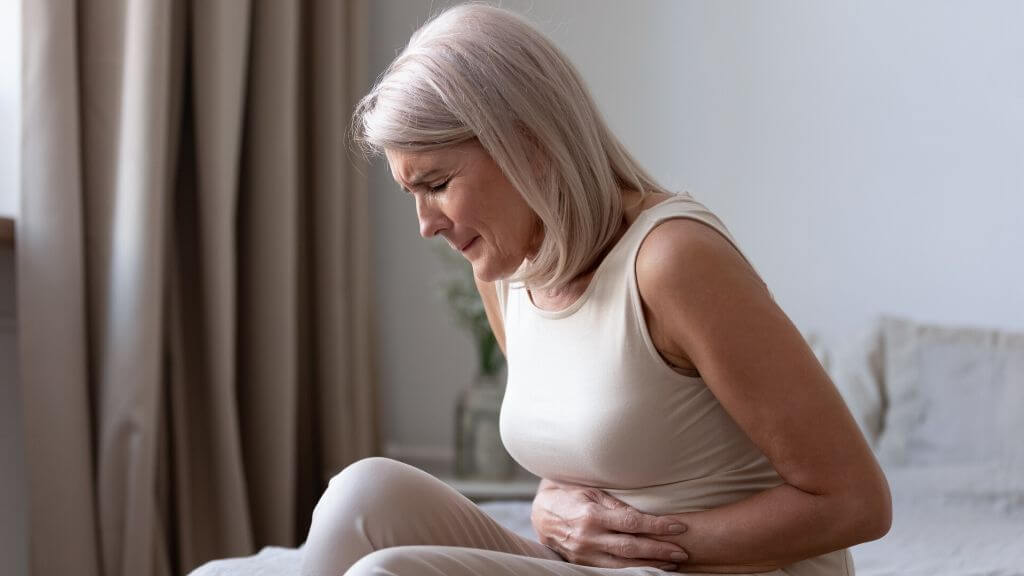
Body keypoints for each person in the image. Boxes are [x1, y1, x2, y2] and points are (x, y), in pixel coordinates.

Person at [301, 4, 891, 575]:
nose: (426, 225)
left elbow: (856, 502)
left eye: (437, 183)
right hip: (611, 568)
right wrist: (547, 507)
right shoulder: (503, 271)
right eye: (413, 193)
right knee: (362, 494)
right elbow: (581, 446)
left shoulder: (672, 261)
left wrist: (647, 547)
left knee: (389, 573)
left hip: (721, 571)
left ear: (525, 142)